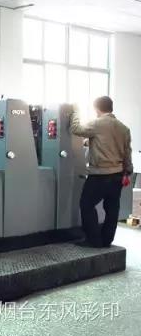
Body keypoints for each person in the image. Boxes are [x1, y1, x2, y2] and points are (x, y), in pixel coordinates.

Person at [70, 96, 133, 248]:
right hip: (117, 175)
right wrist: (127, 171)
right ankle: (106, 240)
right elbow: (127, 152)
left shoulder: (98, 123)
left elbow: (76, 129)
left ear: (96, 108)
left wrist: (75, 111)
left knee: (86, 204)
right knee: (112, 208)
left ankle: (93, 240)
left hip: (100, 175)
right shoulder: (123, 128)